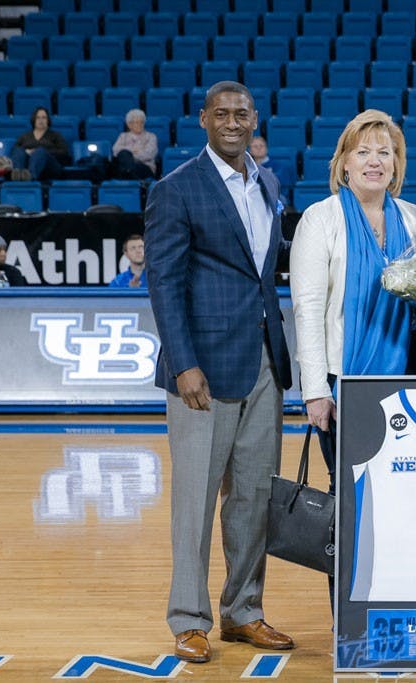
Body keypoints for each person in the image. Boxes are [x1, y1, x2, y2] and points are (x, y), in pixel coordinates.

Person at [144, 81, 295, 665]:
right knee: (195, 499)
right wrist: (183, 364)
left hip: (264, 363)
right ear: (203, 119)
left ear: (255, 119)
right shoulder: (175, 189)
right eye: (222, 114)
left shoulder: (267, 182)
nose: (233, 123)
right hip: (202, 369)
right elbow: (165, 283)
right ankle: (188, 617)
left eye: (243, 114)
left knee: (253, 497)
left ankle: (243, 611)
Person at [289, 108, 416, 478]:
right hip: (341, 378)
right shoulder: (320, 219)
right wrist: (315, 389)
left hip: (407, 374)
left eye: (385, 152)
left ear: (396, 164)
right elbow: (308, 310)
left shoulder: (415, 218)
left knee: (403, 480)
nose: (375, 162)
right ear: (344, 163)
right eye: (363, 152)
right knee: (349, 484)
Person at [10, 107, 69, 181]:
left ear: (48, 120)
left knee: (40, 151)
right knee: (18, 150)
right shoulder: (25, 136)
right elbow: (15, 150)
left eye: (44, 117)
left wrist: (41, 152)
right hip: (27, 164)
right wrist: (27, 152)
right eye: (38, 117)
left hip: (49, 167)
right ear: (34, 120)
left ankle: (31, 177)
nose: (41, 120)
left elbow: (64, 152)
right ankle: (17, 176)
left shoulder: (55, 135)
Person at [111, 109, 157, 180]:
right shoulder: (123, 136)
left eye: (142, 122)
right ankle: (129, 173)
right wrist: (133, 150)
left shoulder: (151, 137)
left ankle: (128, 173)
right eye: (136, 122)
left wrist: (129, 156)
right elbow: (115, 151)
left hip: (145, 167)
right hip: (127, 167)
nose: (140, 125)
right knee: (123, 155)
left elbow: (148, 155)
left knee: (125, 161)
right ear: (129, 125)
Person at [249, 135, 294, 202]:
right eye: (255, 146)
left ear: (266, 149)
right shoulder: (248, 166)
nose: (259, 148)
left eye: (261, 146)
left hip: (276, 196)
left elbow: (281, 186)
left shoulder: (279, 166)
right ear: (250, 151)